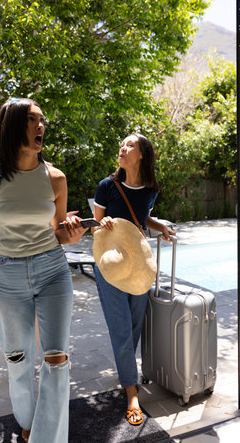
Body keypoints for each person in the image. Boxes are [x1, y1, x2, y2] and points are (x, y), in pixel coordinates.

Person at [0, 98, 87, 443]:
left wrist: (72, 231)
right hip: (8, 277)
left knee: (56, 361)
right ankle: (27, 421)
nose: (41, 127)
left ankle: (45, 438)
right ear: (13, 126)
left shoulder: (55, 178)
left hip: (52, 270)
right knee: (18, 360)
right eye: (33, 120)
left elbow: (58, 233)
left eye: (42, 121)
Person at [92, 133, 176, 425]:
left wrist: (159, 226)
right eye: (121, 145)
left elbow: (141, 219)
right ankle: (132, 392)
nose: (122, 149)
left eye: (129, 145)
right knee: (121, 329)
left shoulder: (150, 189)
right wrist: (101, 225)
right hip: (110, 267)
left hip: (139, 265)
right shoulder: (107, 186)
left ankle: (128, 374)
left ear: (142, 154)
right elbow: (94, 229)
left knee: (135, 324)